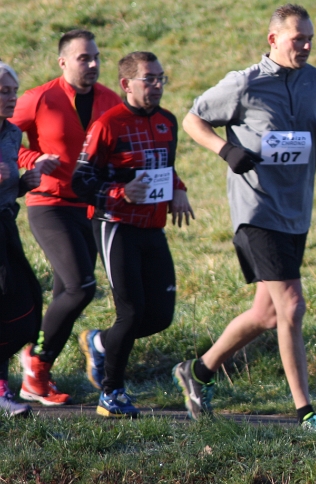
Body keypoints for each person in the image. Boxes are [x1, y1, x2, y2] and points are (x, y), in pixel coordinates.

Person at [171, 4, 316, 429]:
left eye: (310, 38)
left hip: (296, 209)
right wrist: (226, 149)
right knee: (292, 307)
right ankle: (305, 410)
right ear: (273, 39)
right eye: (297, 38)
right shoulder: (244, 83)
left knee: (267, 314)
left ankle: (198, 371)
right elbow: (193, 120)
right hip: (256, 209)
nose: (306, 46)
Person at [72, 51, 194, 417]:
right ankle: (111, 394)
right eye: (149, 79)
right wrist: (119, 193)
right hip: (115, 225)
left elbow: (165, 167)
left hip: (152, 227)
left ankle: (99, 343)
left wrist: (179, 189)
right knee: (131, 312)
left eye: (160, 78)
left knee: (159, 316)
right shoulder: (108, 124)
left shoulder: (167, 121)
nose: (157, 85)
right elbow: (81, 181)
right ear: (127, 84)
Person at [11, 30, 121, 405]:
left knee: (66, 294)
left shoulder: (109, 100)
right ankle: (35, 361)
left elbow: (119, 148)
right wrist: (31, 159)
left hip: (90, 207)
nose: (92, 64)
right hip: (50, 204)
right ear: (63, 62)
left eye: (96, 57)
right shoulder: (39, 98)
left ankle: (37, 378)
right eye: (83, 58)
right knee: (81, 287)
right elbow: (7, 136)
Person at [0, 61, 44, 417]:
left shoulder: (13, 133)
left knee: (27, 304)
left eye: (14, 91)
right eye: (3, 91)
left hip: (5, 226)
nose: (12, 97)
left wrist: (24, 183)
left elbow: (6, 187)